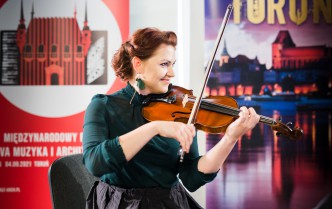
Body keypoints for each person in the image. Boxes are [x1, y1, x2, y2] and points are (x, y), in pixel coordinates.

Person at [82, 27, 260, 209]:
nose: (172, 73)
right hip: (120, 204)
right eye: (164, 64)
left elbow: (191, 178)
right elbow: (94, 163)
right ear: (138, 64)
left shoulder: (180, 107)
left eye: (172, 64)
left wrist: (230, 139)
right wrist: (155, 128)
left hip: (169, 203)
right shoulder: (103, 106)